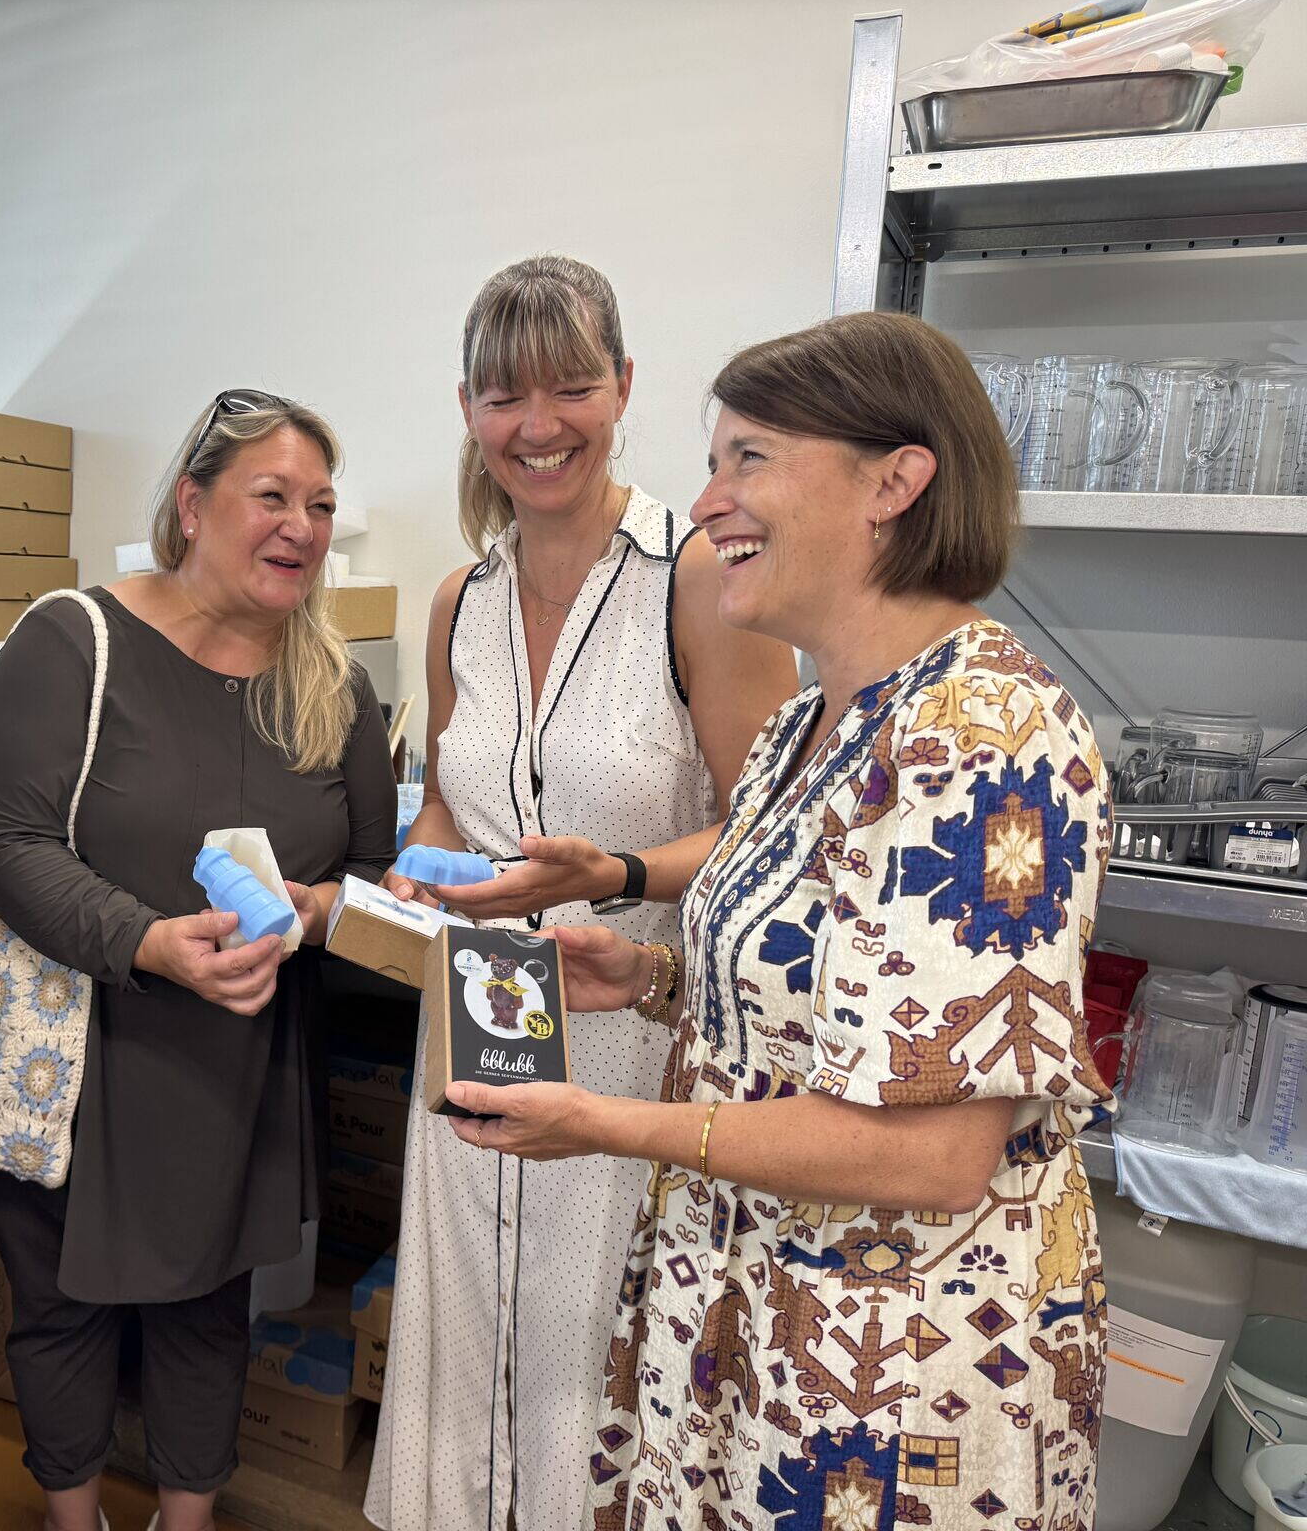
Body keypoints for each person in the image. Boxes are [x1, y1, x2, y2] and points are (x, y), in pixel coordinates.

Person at [446, 312, 1113, 1531]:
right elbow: (828, 995)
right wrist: (646, 980)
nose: (708, 503)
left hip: (884, 1383)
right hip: (742, 1317)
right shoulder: (806, 730)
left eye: (747, 458)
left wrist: (608, 1121)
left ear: (893, 480)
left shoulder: (981, 742)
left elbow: (932, 1147)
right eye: (711, 463)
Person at [366, 255, 796, 1531]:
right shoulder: (460, 597)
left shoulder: (700, 581)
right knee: (463, 1311)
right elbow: (451, 797)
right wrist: (422, 862)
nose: (536, 425)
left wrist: (613, 874)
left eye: (568, 388)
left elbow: (764, 829)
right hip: (472, 1007)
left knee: (588, 1333)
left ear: (621, 388)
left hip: (627, 1024)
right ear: (466, 408)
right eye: (504, 397)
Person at [0, 391, 397, 1531]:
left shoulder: (334, 685)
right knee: (58, 1304)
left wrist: (306, 914)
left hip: (239, 1053)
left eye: (319, 504)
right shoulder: (71, 641)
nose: (300, 524)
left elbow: (369, 868)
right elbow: (2, 840)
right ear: (192, 504)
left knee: (210, 1307)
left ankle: (186, 1517)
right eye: (272, 496)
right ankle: (71, 1517)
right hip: (86, 1046)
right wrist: (147, 941)